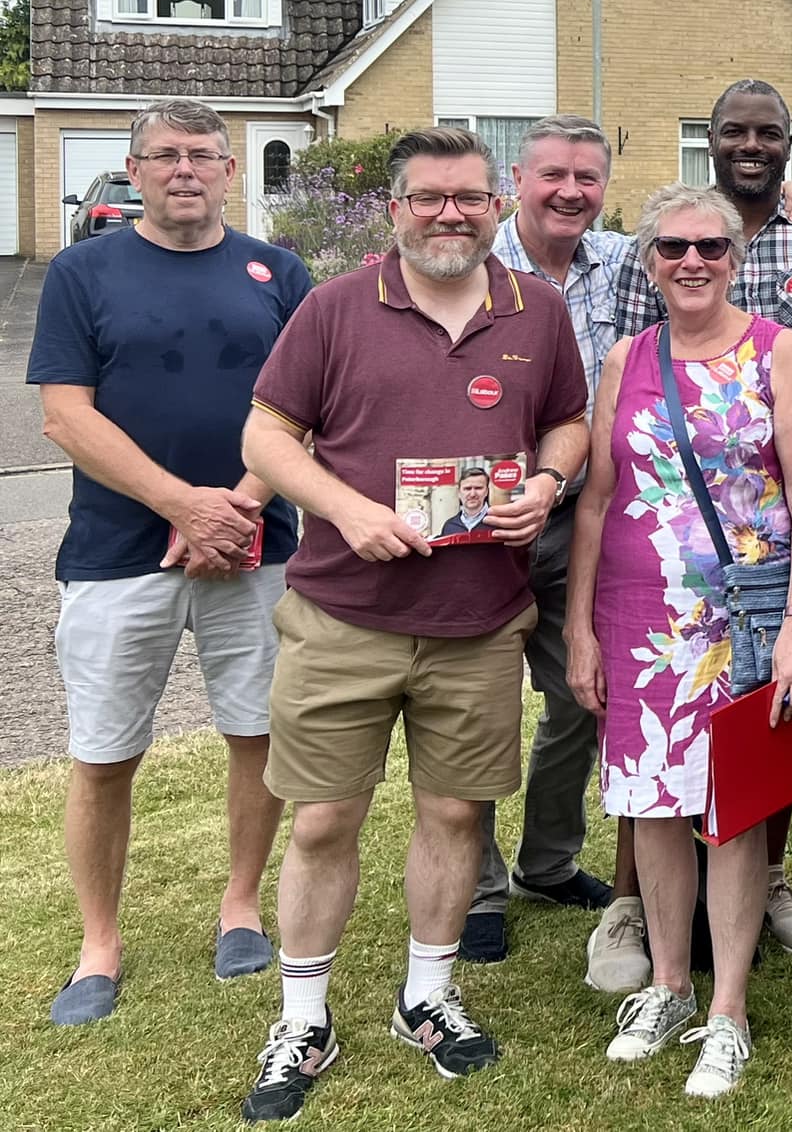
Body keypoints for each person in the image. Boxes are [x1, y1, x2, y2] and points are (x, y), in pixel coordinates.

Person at [235, 126, 589, 1123]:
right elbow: (266, 431)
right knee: (322, 817)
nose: (450, 213)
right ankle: (304, 1014)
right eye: (429, 196)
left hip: (477, 619)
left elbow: (568, 417)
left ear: (494, 205)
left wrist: (547, 479)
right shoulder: (334, 307)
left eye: (469, 196)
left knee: (453, 814)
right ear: (395, 209)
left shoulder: (539, 310)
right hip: (343, 611)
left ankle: (426, 994)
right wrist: (342, 507)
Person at [29, 99, 312, 1026]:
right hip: (118, 552)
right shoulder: (82, 272)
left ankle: (241, 906)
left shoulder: (280, 273)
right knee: (104, 753)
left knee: (254, 736)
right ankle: (99, 942)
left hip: (256, 545)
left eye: (202, 155)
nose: (184, 170)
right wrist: (180, 504)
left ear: (231, 171)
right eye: (164, 156)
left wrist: (239, 506)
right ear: (135, 169)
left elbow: (306, 408)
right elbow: (66, 416)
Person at [563, 183, 792, 1091]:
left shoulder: (774, 351)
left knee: (736, 807)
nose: (692, 262)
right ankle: (669, 984)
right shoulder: (627, 358)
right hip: (639, 621)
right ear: (649, 260)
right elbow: (595, 501)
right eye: (673, 247)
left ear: (734, 259)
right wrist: (581, 629)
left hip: (746, 616)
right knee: (656, 807)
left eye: (711, 247)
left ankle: (727, 1009)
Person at [616, 78, 792, 955]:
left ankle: (766, 885)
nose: (753, 143)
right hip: (665, 542)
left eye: (771, 132)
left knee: (765, 728)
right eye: (734, 131)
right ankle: (641, 908)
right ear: (708, 140)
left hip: (770, 539)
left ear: (789, 144)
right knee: (655, 744)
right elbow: (636, 378)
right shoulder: (665, 247)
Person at [467, 114, 642, 985]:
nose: (570, 191)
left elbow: (716, 245)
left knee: (582, 697)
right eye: (553, 176)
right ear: (516, 179)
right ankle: (477, 889)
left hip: (582, 517)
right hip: (483, 522)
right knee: (473, 705)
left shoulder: (627, 262)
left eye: (587, 177)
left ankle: (548, 860)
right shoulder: (473, 260)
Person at [439, 468, 492, 536]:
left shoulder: (497, 522)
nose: (472, 494)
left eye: (478, 488)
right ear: (459, 492)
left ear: (487, 492)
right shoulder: (449, 526)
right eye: (467, 489)